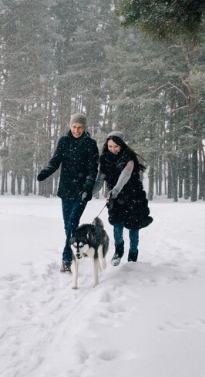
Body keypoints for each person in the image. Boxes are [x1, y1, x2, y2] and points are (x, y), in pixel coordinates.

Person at [37, 113, 99, 272]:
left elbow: (93, 169)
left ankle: (66, 261)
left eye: (79, 127)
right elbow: (55, 161)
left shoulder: (90, 144)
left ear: (84, 128)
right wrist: (46, 172)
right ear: (70, 126)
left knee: (71, 224)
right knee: (68, 226)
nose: (76, 130)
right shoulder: (64, 141)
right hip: (66, 190)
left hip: (82, 192)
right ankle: (79, 243)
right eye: (74, 127)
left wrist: (87, 187)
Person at [93, 131, 152, 265]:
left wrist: (116, 190)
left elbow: (125, 175)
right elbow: (99, 181)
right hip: (116, 199)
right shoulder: (104, 159)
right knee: (117, 226)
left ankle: (133, 255)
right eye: (110, 146)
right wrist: (90, 194)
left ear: (121, 145)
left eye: (116, 146)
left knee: (133, 227)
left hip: (133, 197)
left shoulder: (129, 157)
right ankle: (118, 252)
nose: (113, 149)